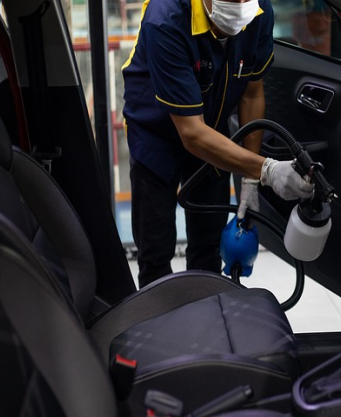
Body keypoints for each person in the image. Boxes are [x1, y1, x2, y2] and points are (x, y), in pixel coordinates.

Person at [122, 0, 314, 288]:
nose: (241, 4)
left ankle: (207, 306)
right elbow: (192, 133)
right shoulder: (165, 19)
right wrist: (266, 169)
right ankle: (159, 309)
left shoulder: (259, 12)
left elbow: (252, 93)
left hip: (211, 128)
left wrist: (250, 181)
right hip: (155, 135)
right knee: (155, 251)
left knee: (208, 246)